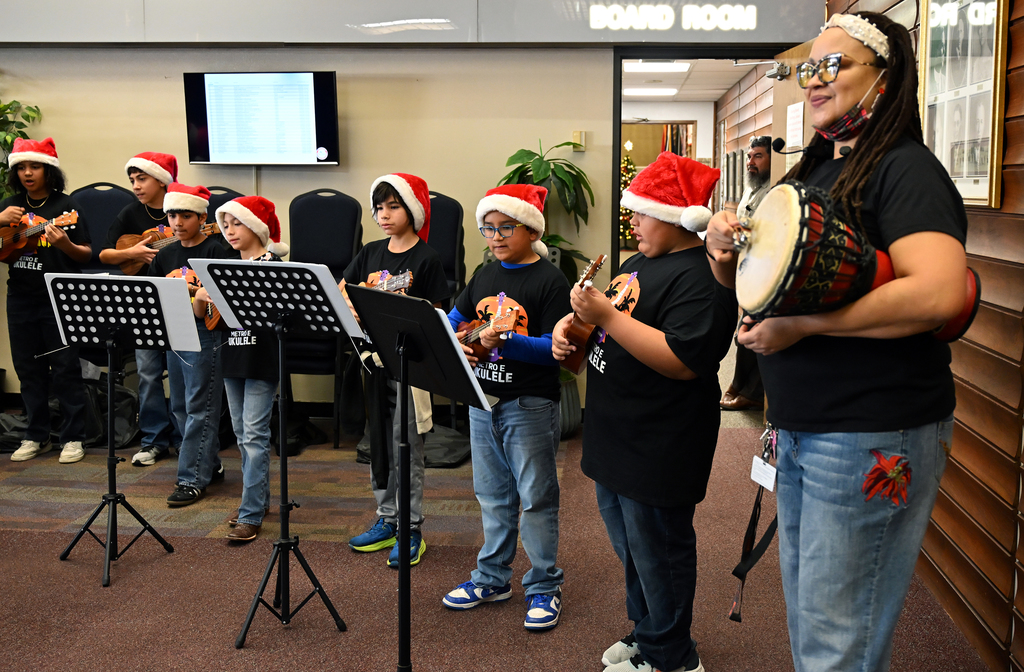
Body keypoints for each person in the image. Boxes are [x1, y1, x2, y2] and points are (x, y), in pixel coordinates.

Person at [705, 12, 967, 672]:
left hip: (870, 434)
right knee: (819, 629)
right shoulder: (815, 175)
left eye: (833, 66)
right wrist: (720, 255)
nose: (814, 82)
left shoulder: (906, 170)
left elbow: (937, 293)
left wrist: (807, 327)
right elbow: (762, 287)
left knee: (836, 642)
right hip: (806, 429)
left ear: (886, 75)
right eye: (807, 69)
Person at [553, 153, 734, 672]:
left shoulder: (703, 277)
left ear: (679, 217)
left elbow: (682, 360)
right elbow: (613, 333)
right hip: (618, 434)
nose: (631, 221)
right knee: (632, 549)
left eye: (641, 212)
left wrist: (604, 314)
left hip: (662, 441)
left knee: (661, 552)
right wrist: (578, 334)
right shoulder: (637, 265)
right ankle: (650, 632)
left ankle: (674, 655)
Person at [441, 184, 570, 631]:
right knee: (492, 495)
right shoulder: (484, 273)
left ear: (530, 229)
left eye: (504, 227)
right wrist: (463, 341)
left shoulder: (550, 282)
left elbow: (556, 348)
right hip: (483, 402)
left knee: (535, 498)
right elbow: (456, 323)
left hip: (529, 405)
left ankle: (544, 586)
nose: (494, 236)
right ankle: (492, 578)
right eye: (487, 228)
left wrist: (506, 340)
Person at [341, 173, 449, 568]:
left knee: (408, 445)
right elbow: (343, 290)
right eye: (379, 207)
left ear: (413, 211)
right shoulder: (370, 252)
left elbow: (437, 313)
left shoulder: (426, 259)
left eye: (393, 206)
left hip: (410, 365)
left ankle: (411, 527)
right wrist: (356, 305)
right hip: (373, 359)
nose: (383, 215)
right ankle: (387, 519)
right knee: (380, 445)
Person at [199, 196, 288, 542]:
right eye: (226, 224)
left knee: (253, 435)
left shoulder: (275, 265)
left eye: (237, 223)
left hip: (262, 359)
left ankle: (250, 513)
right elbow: (202, 315)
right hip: (232, 356)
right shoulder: (221, 267)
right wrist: (203, 297)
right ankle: (259, 499)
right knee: (241, 435)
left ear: (256, 227)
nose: (230, 231)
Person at [0, 137, 92, 464]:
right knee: (28, 369)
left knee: (65, 367)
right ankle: (36, 436)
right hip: (21, 297)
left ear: (48, 169)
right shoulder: (9, 205)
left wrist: (64, 243)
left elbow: (84, 254)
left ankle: (73, 437)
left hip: (58, 299)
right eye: (22, 167)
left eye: (34, 166)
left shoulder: (65, 207)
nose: (28, 173)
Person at [149, 182, 235, 507]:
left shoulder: (217, 251)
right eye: (172, 215)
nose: (177, 222)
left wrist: (199, 301)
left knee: (202, 406)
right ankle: (209, 464)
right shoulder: (165, 253)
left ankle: (190, 479)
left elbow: (225, 301)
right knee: (180, 407)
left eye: (185, 215)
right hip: (175, 332)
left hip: (205, 333)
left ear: (201, 217)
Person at [97, 152, 182, 467]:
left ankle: (186, 438)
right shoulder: (131, 213)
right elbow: (105, 254)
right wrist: (131, 252)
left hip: (179, 301)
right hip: (142, 302)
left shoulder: (180, 210)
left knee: (180, 373)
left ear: (161, 181)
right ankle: (154, 439)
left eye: (142, 179)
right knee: (147, 373)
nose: (135, 185)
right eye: (132, 180)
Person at [721, 135, 770, 411]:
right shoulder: (752, 188)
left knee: (750, 330)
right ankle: (740, 384)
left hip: (765, 270)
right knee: (744, 329)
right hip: (748, 268)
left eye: (758, 156)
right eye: (749, 156)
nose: (750, 162)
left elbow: (760, 231)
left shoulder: (772, 191)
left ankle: (751, 391)